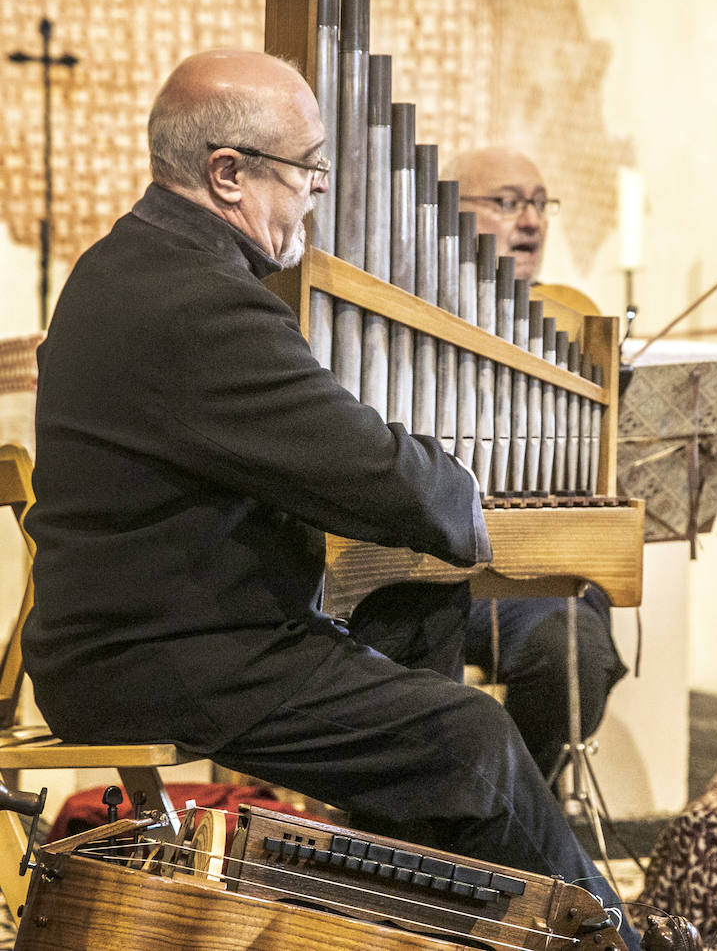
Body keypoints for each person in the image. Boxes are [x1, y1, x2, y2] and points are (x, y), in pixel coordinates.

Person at [24, 51, 643, 950]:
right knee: (467, 738)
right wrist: (470, 494)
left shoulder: (135, 264)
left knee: (414, 622)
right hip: (166, 655)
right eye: (307, 169)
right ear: (226, 173)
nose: (319, 191)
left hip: (147, 638)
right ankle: (607, 941)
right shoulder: (197, 299)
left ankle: (420, 928)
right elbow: (360, 463)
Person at [448, 145, 629, 780]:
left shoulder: (573, 319)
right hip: (430, 567)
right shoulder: (402, 311)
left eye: (538, 202)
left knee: (573, 648)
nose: (529, 220)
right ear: (445, 213)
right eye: (505, 202)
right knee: (397, 655)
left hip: (542, 574)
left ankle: (525, 803)